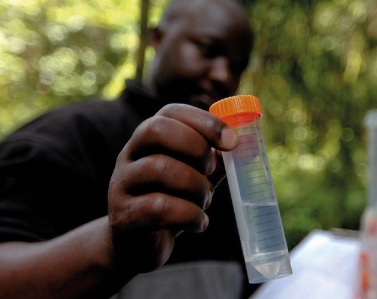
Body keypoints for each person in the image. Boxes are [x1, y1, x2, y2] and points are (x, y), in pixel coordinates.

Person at [0, 0, 257, 298]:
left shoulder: (228, 166)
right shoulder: (64, 139)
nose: (223, 75)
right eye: (208, 50)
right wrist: (112, 247)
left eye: (238, 66)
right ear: (157, 38)